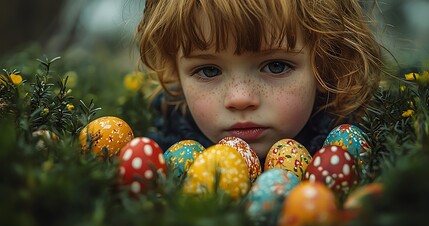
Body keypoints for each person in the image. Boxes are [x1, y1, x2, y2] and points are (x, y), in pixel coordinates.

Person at [136, 0, 383, 163]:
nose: (240, 99)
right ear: (176, 74)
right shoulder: (162, 162)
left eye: (276, 66)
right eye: (209, 71)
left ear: (327, 64)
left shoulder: (361, 153)